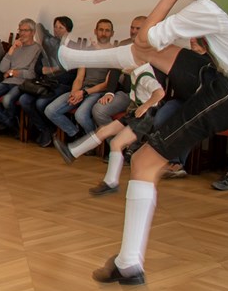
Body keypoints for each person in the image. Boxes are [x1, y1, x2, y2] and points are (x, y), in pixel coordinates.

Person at [43, 0, 228, 285]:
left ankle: (130, 262)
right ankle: (74, 59)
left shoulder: (212, 9)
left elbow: (146, 34)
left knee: (146, 160)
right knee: (160, 53)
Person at [54, 63, 166, 196]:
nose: (121, 66)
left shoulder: (145, 76)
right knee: (103, 131)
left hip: (145, 117)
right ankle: (72, 152)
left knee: (116, 143)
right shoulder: (136, 73)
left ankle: (111, 182)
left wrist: (145, 106)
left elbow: (160, 93)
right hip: (136, 112)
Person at [43, 19, 118, 140]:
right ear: (95, 31)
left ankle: (92, 142)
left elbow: (107, 84)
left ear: (112, 33)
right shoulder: (87, 52)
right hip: (82, 89)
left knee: (81, 115)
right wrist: (74, 92)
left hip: (98, 93)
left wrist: (83, 93)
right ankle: (77, 135)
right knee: (50, 110)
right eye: (101, 30)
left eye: (107, 30)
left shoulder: (114, 54)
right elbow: (79, 77)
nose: (103, 33)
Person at [18, 16, 76, 146]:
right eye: (55, 27)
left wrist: (52, 71)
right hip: (45, 83)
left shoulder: (73, 47)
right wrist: (51, 70)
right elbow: (38, 68)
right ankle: (45, 129)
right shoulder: (48, 44)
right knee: (24, 100)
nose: (57, 30)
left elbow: (71, 73)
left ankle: (50, 130)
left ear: (68, 30)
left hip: (62, 85)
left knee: (40, 103)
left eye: (61, 27)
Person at [0, 18, 41, 132]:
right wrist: (12, 49)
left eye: (25, 30)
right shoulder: (16, 47)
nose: (22, 33)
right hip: (7, 82)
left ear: (33, 32)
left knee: (7, 100)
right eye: (20, 30)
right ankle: (12, 124)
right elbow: (2, 68)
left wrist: (13, 72)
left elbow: (32, 74)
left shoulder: (37, 49)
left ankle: (9, 124)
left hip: (22, 84)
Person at [91, 16, 148, 128]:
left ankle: (121, 141)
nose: (133, 31)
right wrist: (110, 92)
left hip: (142, 96)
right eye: (132, 28)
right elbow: (115, 69)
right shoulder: (124, 44)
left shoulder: (154, 47)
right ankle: (116, 141)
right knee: (98, 110)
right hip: (124, 93)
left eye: (138, 28)